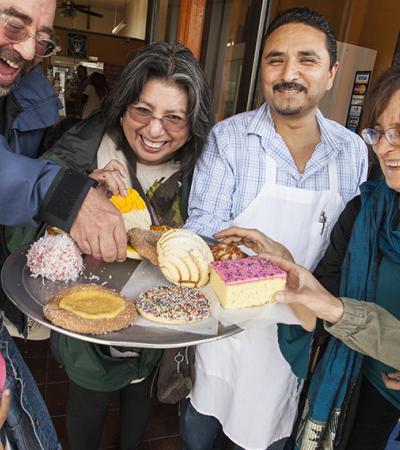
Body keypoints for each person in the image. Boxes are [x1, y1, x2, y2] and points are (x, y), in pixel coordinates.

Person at [182, 7, 368, 450]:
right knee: (202, 424)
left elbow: (352, 248)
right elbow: (202, 228)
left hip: (302, 335)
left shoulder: (353, 152)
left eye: (306, 59)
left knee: (275, 431)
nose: (289, 74)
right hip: (229, 329)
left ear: (331, 73)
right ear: (262, 69)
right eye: (275, 59)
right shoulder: (230, 139)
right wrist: (265, 268)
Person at [34, 42, 211, 450]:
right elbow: (21, 235)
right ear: (121, 106)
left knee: (138, 406)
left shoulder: (204, 171)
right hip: (88, 337)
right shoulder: (81, 150)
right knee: (87, 410)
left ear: (193, 124)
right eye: (142, 111)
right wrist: (75, 195)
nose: (154, 131)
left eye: (174, 118)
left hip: (155, 333)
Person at [0, 0, 127, 263]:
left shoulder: (28, 92)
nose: (26, 51)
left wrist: (81, 180)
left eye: (42, 40)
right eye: (14, 26)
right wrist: (63, 193)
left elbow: (27, 164)